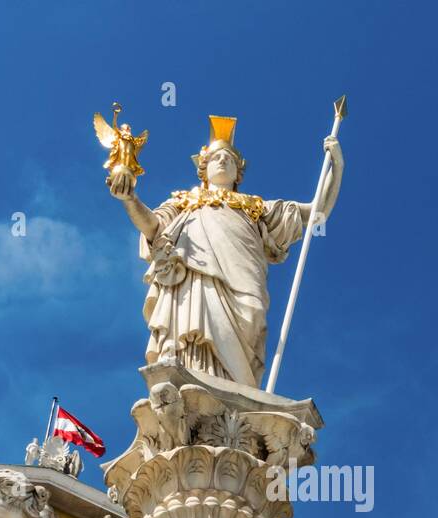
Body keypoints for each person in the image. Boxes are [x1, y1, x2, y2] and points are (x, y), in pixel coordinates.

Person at [108, 115, 344, 387]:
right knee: (192, 330)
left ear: (238, 173)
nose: (223, 161)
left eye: (229, 159)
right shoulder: (185, 203)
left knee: (252, 313)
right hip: (194, 278)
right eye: (217, 158)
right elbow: (152, 228)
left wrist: (336, 164)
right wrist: (130, 200)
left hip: (244, 277)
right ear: (204, 170)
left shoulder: (256, 208)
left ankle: (239, 393)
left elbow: (316, 213)